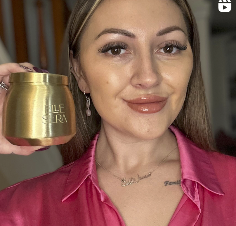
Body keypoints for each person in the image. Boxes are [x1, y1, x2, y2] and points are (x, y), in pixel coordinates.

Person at [0, 0, 236, 225]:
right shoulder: (18, 210)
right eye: (116, 49)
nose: (148, 77)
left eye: (169, 47)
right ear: (79, 71)